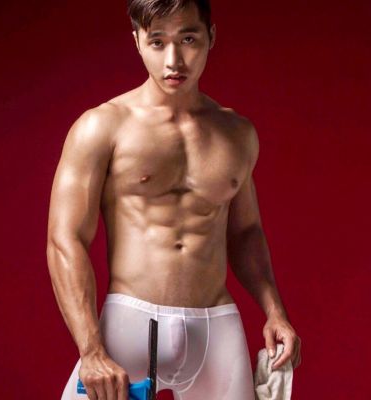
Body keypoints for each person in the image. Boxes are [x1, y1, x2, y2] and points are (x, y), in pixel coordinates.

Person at [46, 1, 302, 399]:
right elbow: (65, 240)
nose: (174, 61)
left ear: (210, 37)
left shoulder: (237, 133)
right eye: (157, 42)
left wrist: (275, 311)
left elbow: (246, 232)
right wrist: (91, 349)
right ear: (137, 41)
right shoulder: (102, 127)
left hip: (215, 331)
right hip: (130, 325)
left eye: (188, 39)